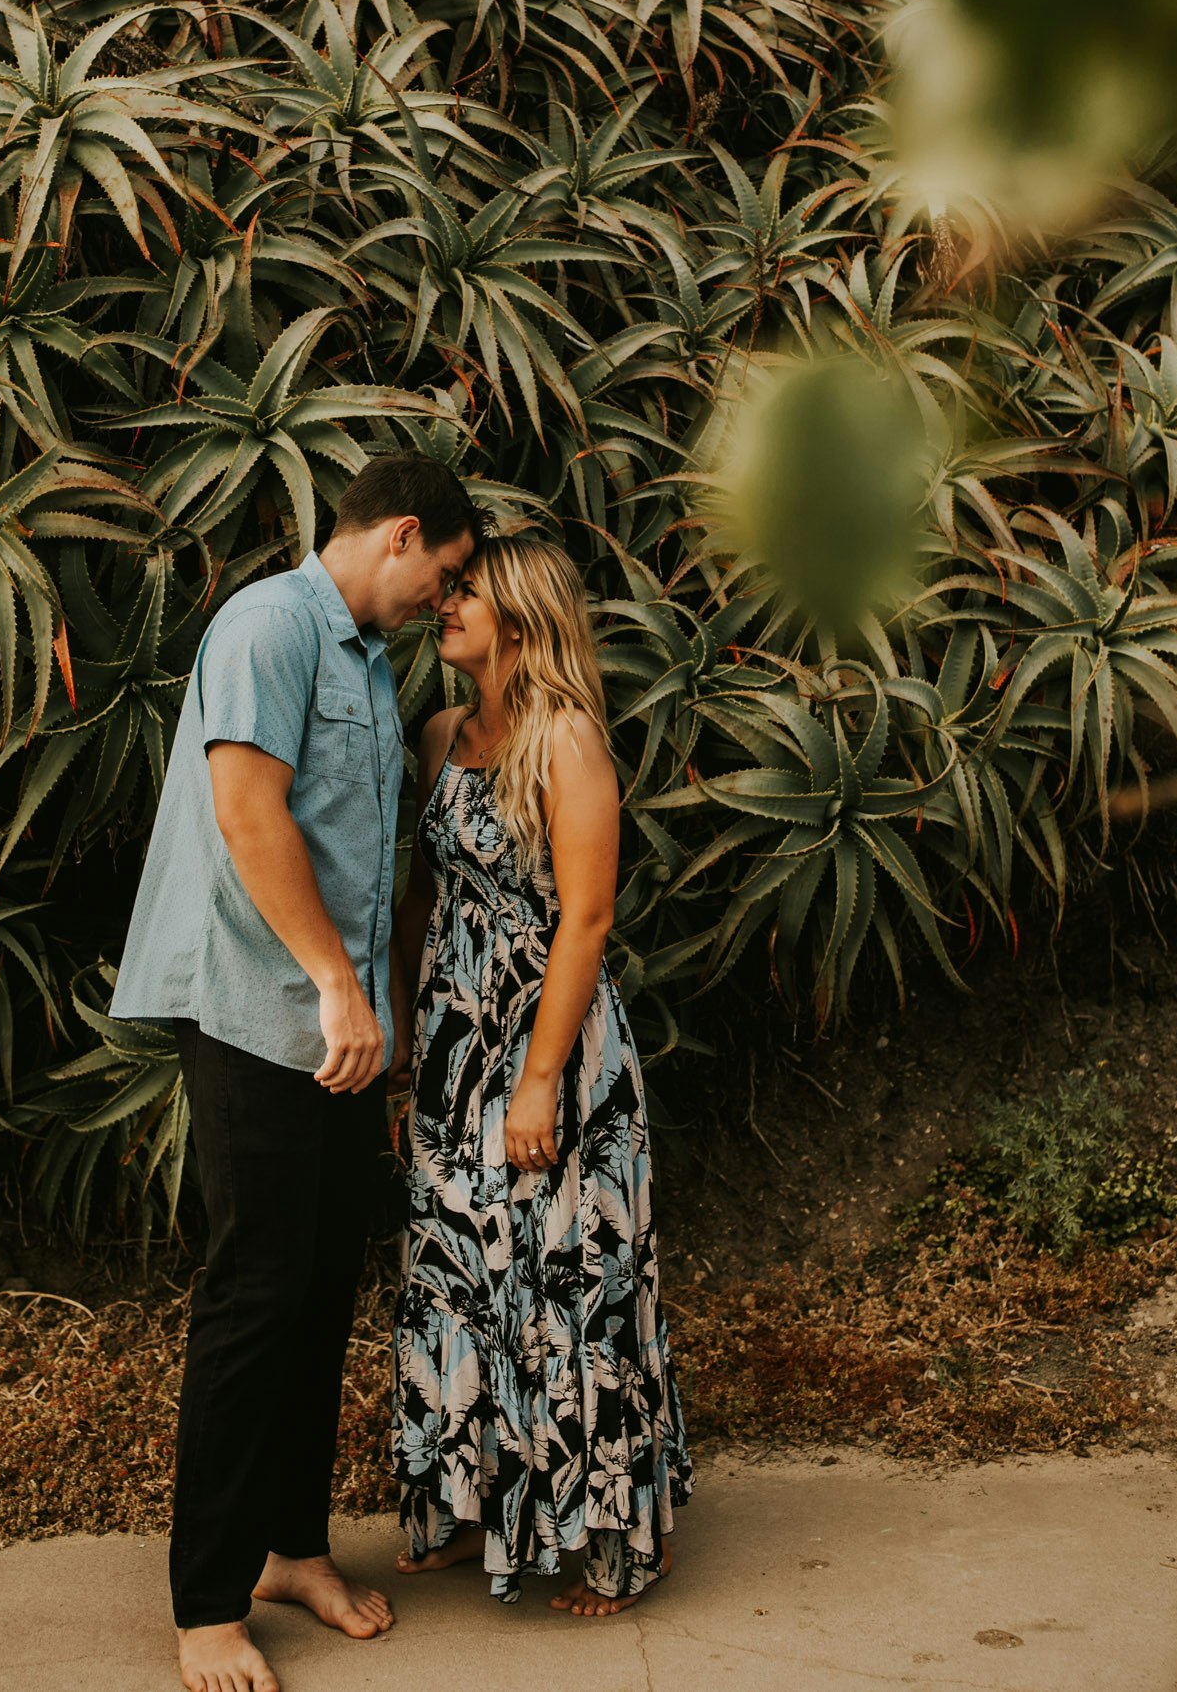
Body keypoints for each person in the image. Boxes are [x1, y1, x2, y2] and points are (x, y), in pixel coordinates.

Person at [109, 452, 481, 1692]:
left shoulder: (368, 663)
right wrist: (332, 980)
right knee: (254, 1296)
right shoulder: (267, 625)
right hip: (259, 1013)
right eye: (448, 573)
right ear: (404, 536)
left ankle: (288, 1548)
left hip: (340, 1032)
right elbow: (248, 813)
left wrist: (368, 1007)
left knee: (322, 1288)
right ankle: (208, 1605)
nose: (447, 597)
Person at [391, 531, 693, 1614]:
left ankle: (610, 1545)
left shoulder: (567, 740)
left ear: (520, 616)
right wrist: (406, 1045)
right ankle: (471, 1505)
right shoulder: (439, 733)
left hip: (547, 1046)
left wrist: (536, 1079)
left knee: (569, 1283)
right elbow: (421, 901)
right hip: (450, 1045)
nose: (445, 603)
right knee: (458, 1276)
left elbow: (589, 917)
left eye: (465, 591)